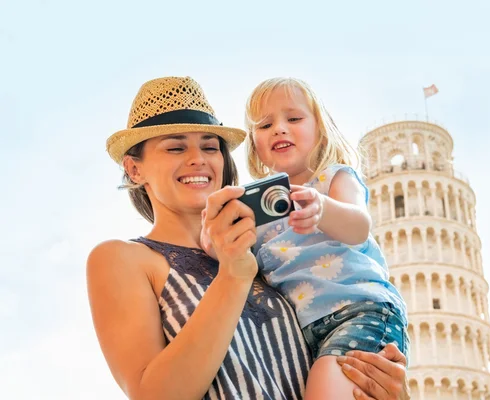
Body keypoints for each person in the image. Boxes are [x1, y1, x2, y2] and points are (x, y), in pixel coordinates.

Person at [86, 76, 410, 400]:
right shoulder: (122, 259)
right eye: (176, 147)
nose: (198, 158)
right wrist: (232, 275)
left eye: (211, 147)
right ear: (134, 168)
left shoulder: (270, 259)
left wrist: (381, 389)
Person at [243, 77, 410, 399]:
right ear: (255, 145)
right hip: (303, 332)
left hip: (359, 309)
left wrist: (323, 208)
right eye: (265, 125)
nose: (279, 128)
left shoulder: (334, 178)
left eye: (293, 118)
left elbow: (359, 225)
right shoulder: (257, 207)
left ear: (320, 131)